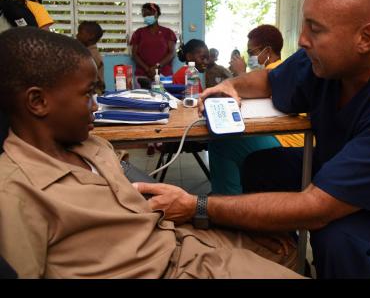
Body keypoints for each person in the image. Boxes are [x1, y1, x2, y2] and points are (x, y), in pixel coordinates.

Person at [134, 0, 370, 278]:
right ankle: (280, 253)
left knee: (338, 237)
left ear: (365, 37)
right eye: (304, 24)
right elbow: (270, 80)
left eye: (315, 29)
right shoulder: (326, 61)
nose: (302, 40)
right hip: (337, 163)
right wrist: (233, 87)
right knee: (262, 164)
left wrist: (197, 206)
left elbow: (318, 208)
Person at [0, 27, 303, 279]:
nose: (96, 105)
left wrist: (222, 219)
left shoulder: (91, 146)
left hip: (181, 242)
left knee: (285, 250)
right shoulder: (14, 194)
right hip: (161, 269)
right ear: (38, 102)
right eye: (88, 94)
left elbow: (150, 191)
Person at [208, 25, 304, 195]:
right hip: (281, 136)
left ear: (267, 51)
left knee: (222, 143)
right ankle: (234, 194)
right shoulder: (279, 69)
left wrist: (240, 74)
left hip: (289, 141)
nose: (248, 57)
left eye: (251, 52)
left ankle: (228, 205)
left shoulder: (277, 72)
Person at [130, 2, 177, 87]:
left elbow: (172, 53)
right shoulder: (138, 33)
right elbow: (134, 54)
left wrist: (157, 67)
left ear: (157, 14)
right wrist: (147, 69)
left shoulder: (168, 32)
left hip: (164, 76)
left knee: (164, 98)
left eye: (149, 14)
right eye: (144, 15)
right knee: (142, 99)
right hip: (143, 76)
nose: (146, 17)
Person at [76, 21, 105, 95]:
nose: (77, 35)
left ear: (91, 36)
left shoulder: (90, 55)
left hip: (93, 93)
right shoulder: (88, 52)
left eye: (80, 33)